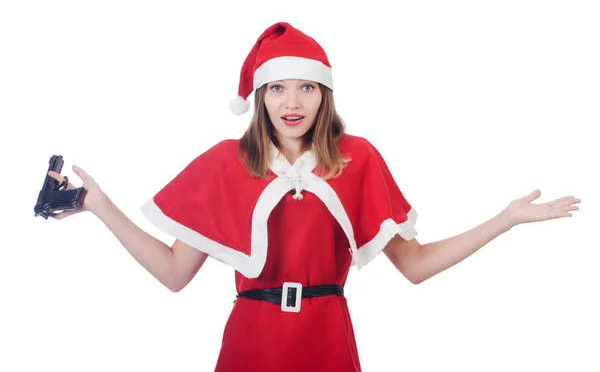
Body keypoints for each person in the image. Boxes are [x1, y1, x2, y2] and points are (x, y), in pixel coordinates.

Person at [46, 22, 581, 371]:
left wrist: (505, 220)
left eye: (306, 87)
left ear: (324, 94)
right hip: (249, 348)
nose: (291, 102)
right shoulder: (225, 163)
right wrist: (99, 206)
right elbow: (173, 273)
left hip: (328, 345)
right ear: (260, 96)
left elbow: (415, 266)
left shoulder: (358, 158)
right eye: (277, 88)